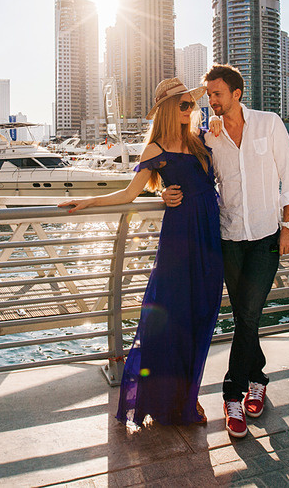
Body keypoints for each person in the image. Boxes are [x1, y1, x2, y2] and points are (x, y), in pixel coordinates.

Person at [59, 78, 222, 430]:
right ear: (166, 109)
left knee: (202, 317)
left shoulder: (202, 141)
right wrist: (88, 201)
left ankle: (188, 394)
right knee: (172, 321)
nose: (189, 109)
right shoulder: (155, 149)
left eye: (191, 104)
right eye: (183, 105)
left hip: (210, 236)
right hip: (179, 240)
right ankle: (171, 401)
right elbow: (129, 193)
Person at [162, 64, 289, 439]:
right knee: (245, 316)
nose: (210, 100)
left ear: (237, 93)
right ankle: (257, 377)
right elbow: (187, 172)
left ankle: (231, 395)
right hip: (228, 237)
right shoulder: (210, 138)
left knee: (250, 313)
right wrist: (162, 192)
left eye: (217, 93)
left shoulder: (269, 123)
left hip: (267, 235)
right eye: (208, 94)